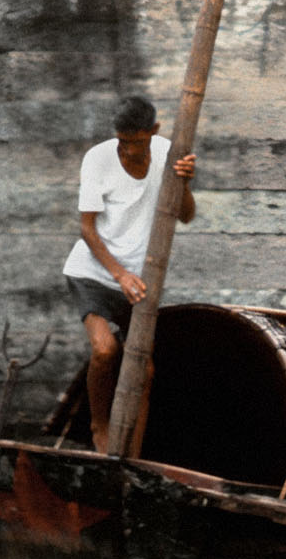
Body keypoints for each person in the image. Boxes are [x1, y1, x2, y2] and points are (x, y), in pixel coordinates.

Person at [62, 94, 197, 448]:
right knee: (105, 349)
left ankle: (131, 452)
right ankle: (99, 426)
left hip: (138, 280)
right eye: (121, 141)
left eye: (133, 143)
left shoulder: (169, 152)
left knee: (145, 369)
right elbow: (87, 229)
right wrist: (119, 274)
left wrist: (183, 180)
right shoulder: (98, 159)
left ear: (153, 132)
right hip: (94, 270)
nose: (125, 150)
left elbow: (186, 214)